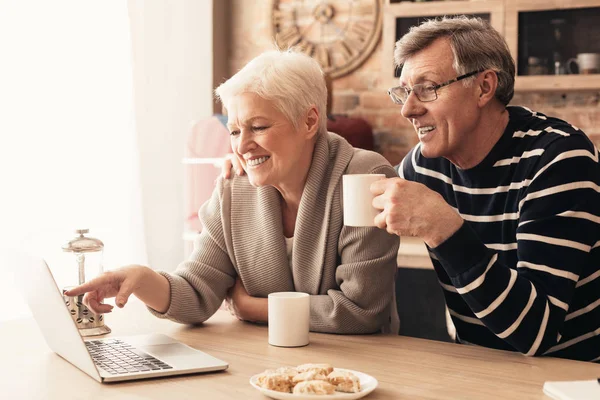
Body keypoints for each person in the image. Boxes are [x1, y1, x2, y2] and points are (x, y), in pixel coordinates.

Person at [65, 49, 400, 335]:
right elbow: (197, 292)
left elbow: (360, 309)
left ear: (310, 121)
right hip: (264, 365)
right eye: (236, 130)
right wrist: (140, 279)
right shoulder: (233, 187)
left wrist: (251, 307)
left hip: (356, 369)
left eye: (258, 127)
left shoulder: (364, 176)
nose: (242, 145)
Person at [370, 16, 600, 361]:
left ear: (484, 87)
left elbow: (535, 333)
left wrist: (442, 226)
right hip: (479, 368)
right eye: (404, 91)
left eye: (428, 88)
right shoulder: (422, 165)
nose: (408, 109)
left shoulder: (558, 158)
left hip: (571, 376)